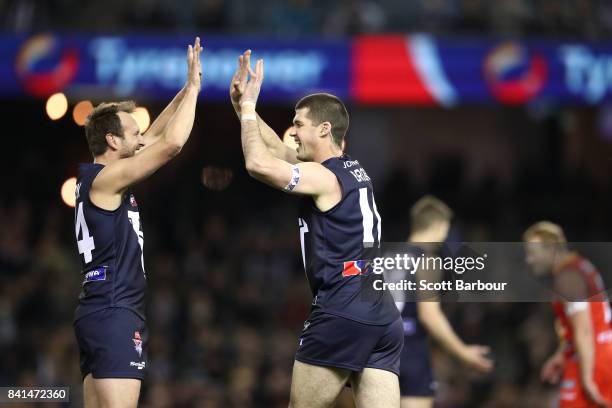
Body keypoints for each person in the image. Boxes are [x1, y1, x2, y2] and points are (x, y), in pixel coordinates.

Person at [230, 50, 402, 407]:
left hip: (342, 306)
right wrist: (242, 106)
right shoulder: (350, 169)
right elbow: (278, 151)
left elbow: (258, 164)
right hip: (381, 311)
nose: (292, 132)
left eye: (299, 124)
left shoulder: (324, 177)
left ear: (324, 128)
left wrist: (248, 110)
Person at [72, 37, 202, 408]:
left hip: (100, 309)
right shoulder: (106, 180)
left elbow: (156, 136)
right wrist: (195, 90)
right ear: (112, 140)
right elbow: (171, 144)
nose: (142, 137)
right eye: (133, 133)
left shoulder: (101, 178)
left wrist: (182, 90)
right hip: (114, 311)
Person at [387, 196, 493, 408]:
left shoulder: (387, 256)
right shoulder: (428, 259)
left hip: (378, 349)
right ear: (439, 225)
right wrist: (463, 352)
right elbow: (429, 314)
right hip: (411, 349)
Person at [524, 221, 612, 408]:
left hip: (591, 360)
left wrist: (587, 378)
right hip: (599, 353)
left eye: (533, 253)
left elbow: (584, 330)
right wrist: (561, 354)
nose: (529, 260)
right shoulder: (580, 265)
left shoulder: (567, 278)